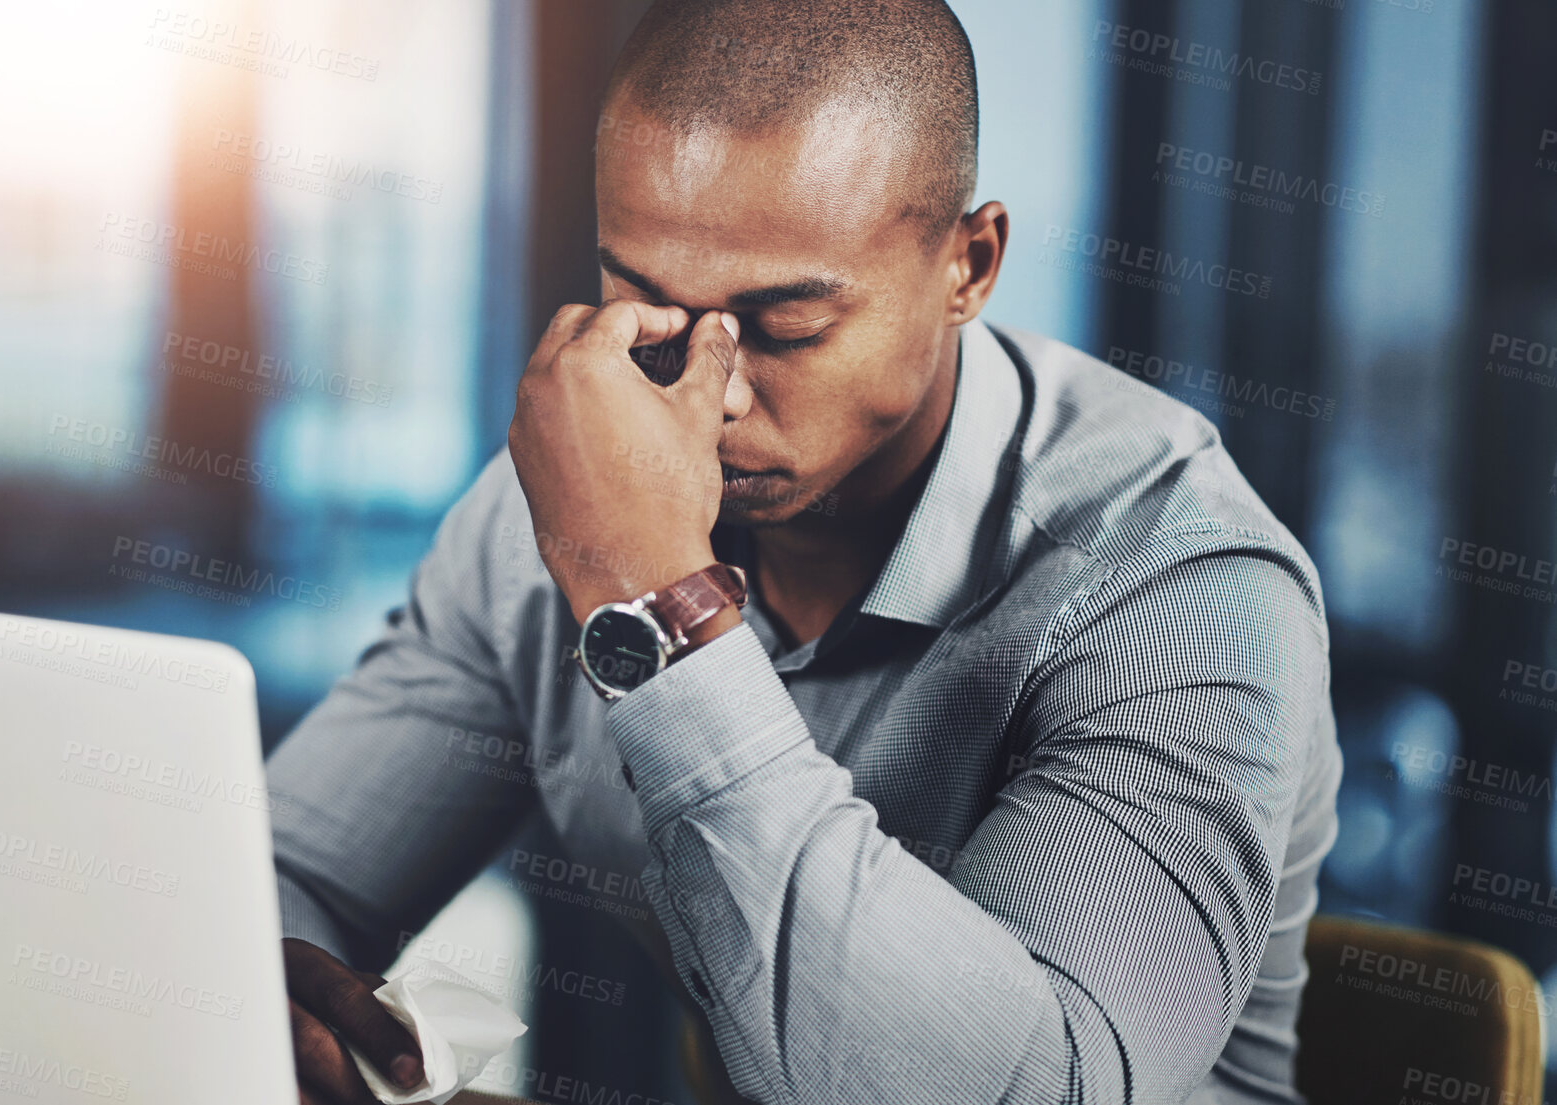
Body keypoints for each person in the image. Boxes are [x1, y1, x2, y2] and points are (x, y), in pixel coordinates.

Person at [268, 1, 1342, 1103]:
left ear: (967, 266)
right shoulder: (566, 507)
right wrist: (273, 1007)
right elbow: (277, 885)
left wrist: (654, 601)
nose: (709, 392)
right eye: (645, 305)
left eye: (783, 328)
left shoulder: (1179, 583)